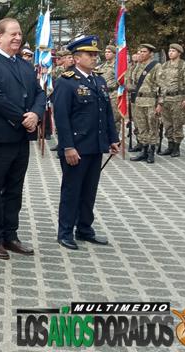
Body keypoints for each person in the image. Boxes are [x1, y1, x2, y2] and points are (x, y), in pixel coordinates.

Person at [0, 18, 46, 260]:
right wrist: (23, 118)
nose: (17, 38)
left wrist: (36, 114)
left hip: (20, 138)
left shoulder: (25, 65)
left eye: (19, 34)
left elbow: (39, 93)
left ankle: (10, 235)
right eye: (12, 34)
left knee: (15, 188)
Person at [52, 36, 120, 250]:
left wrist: (113, 139)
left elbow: (106, 113)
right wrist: (68, 147)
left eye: (95, 54)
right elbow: (61, 118)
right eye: (89, 55)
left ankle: (84, 228)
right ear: (76, 58)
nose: (94, 58)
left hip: (95, 145)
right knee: (72, 190)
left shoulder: (99, 81)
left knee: (89, 191)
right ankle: (65, 232)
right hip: (76, 147)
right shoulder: (66, 82)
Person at [156, 44, 185, 157]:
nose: (170, 53)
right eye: (169, 51)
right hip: (166, 99)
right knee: (167, 123)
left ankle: (176, 147)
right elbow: (160, 84)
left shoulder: (183, 66)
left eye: (173, 51)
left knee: (177, 123)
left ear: (179, 53)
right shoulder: (165, 65)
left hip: (178, 99)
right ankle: (170, 145)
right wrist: (160, 100)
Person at [128, 44, 161, 163]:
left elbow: (162, 86)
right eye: (140, 51)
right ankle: (144, 150)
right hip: (138, 101)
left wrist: (160, 104)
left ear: (151, 54)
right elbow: (133, 82)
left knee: (152, 127)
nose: (141, 53)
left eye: (144, 51)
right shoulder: (137, 66)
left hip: (151, 102)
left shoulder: (156, 66)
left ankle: (151, 152)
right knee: (142, 127)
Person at [95, 45, 123, 134]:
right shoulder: (102, 66)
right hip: (103, 94)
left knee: (115, 119)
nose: (106, 54)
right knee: (103, 117)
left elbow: (122, 81)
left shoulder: (118, 66)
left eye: (109, 52)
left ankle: (115, 137)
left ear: (114, 54)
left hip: (114, 94)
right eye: (106, 52)